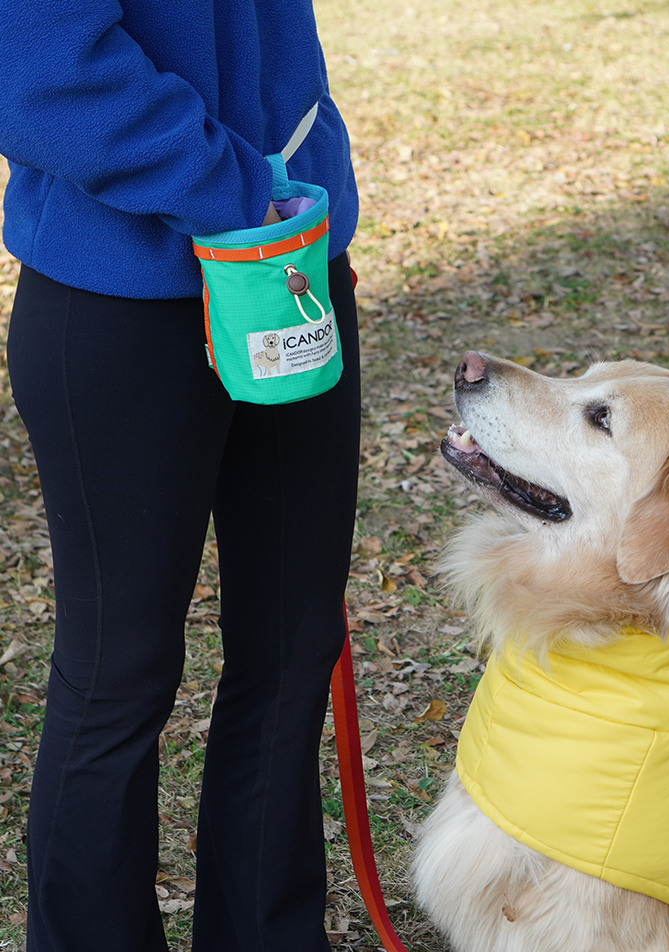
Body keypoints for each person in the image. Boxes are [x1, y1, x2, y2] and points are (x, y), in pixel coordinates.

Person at [0, 2, 360, 950]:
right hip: (121, 294)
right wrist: (240, 190)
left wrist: (301, 203)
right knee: (120, 672)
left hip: (290, 268)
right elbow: (40, 73)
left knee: (292, 646)